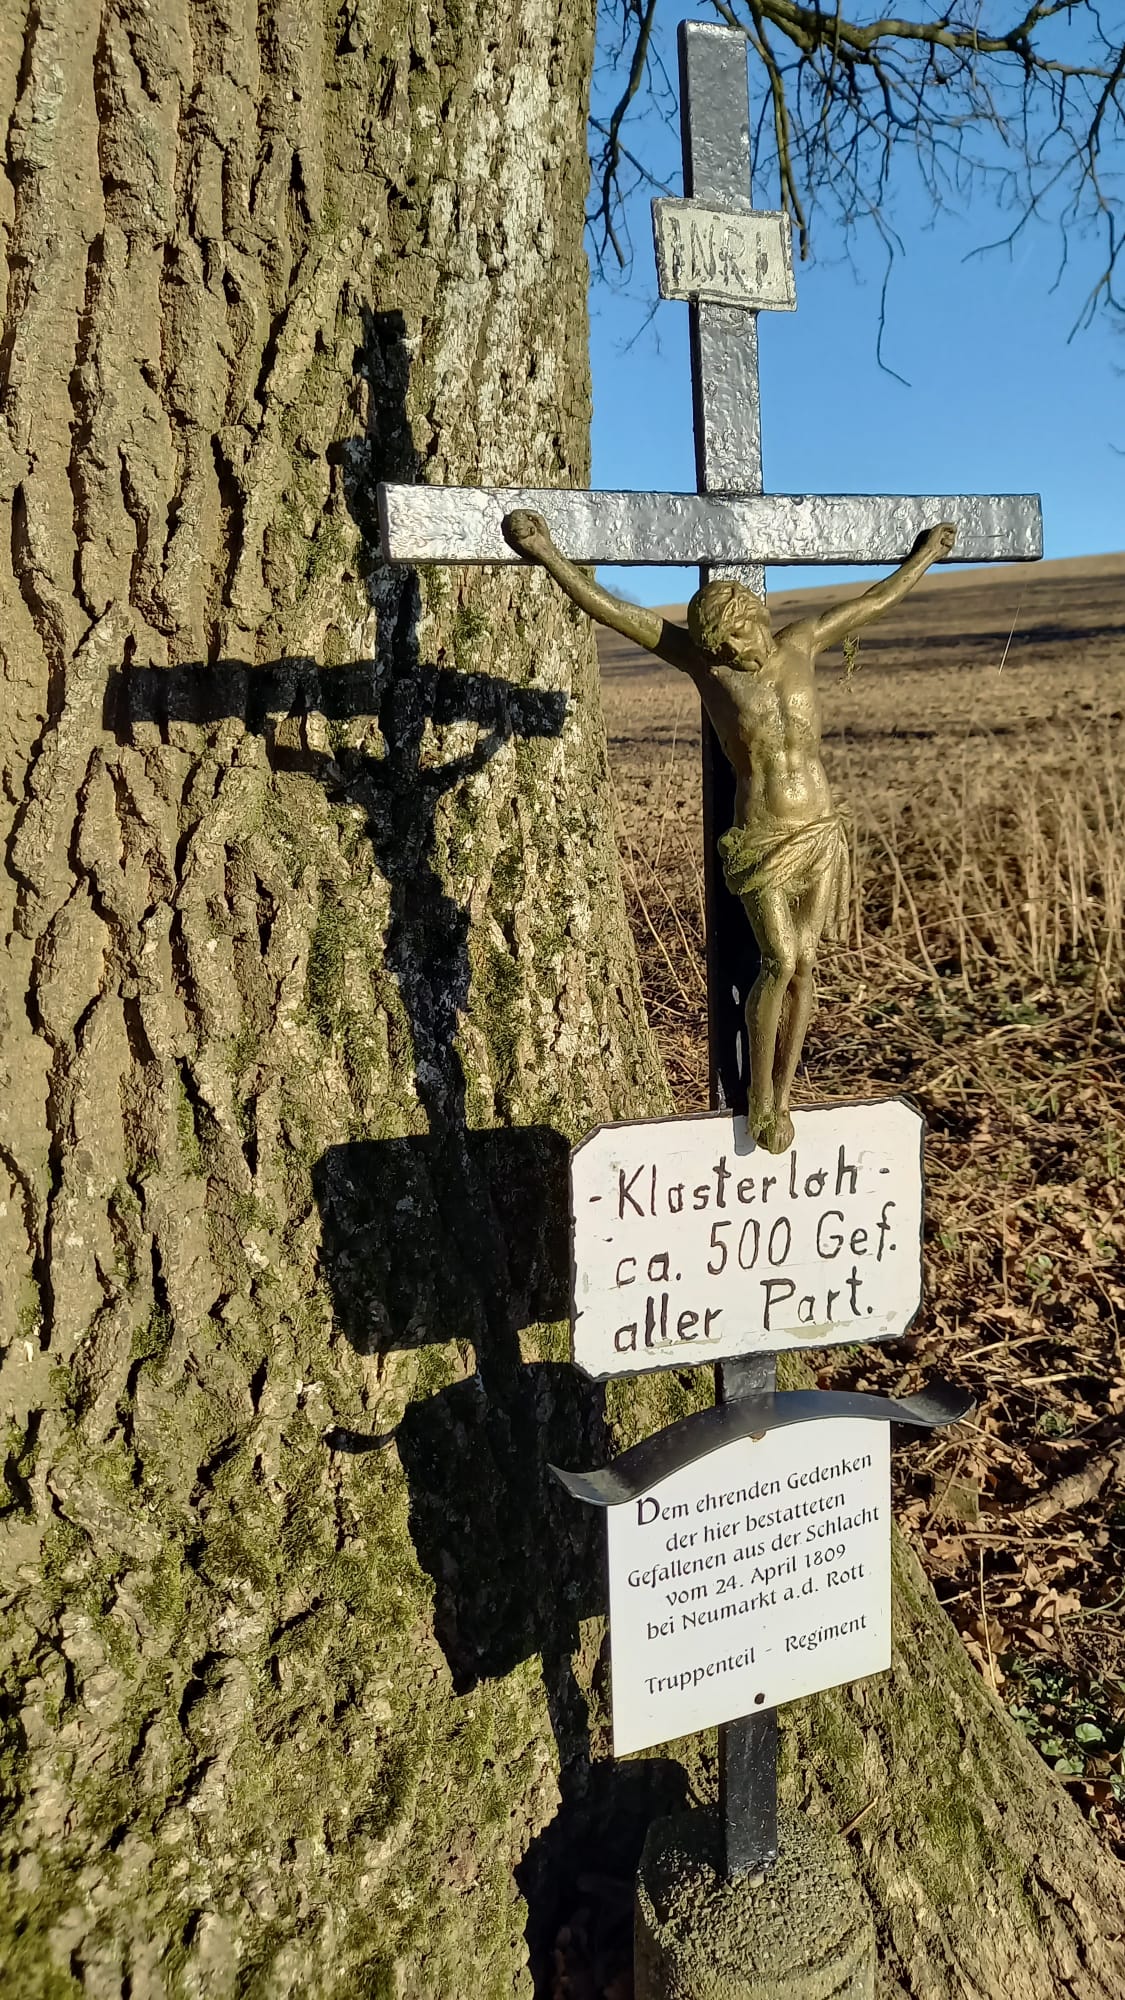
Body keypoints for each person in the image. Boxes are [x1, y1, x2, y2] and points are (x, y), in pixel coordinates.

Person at [501, 508, 957, 1152]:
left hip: (819, 830)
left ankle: (788, 1090)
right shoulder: (704, 667)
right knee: (780, 960)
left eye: (734, 645)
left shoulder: (803, 642)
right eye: (719, 652)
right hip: (764, 836)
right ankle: (760, 1100)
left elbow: (876, 600)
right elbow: (612, 611)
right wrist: (545, 553)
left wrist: (926, 556)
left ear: (753, 621)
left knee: (809, 966)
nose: (731, 659)